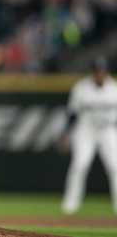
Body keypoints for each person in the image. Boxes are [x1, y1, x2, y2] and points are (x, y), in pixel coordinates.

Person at [61, 56, 117, 215]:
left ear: (106, 71)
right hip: (86, 130)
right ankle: (70, 206)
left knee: (115, 167)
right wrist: (66, 133)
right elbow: (72, 113)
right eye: (97, 70)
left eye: (102, 70)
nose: (99, 73)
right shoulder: (81, 88)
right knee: (80, 165)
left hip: (108, 130)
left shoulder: (114, 88)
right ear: (93, 72)